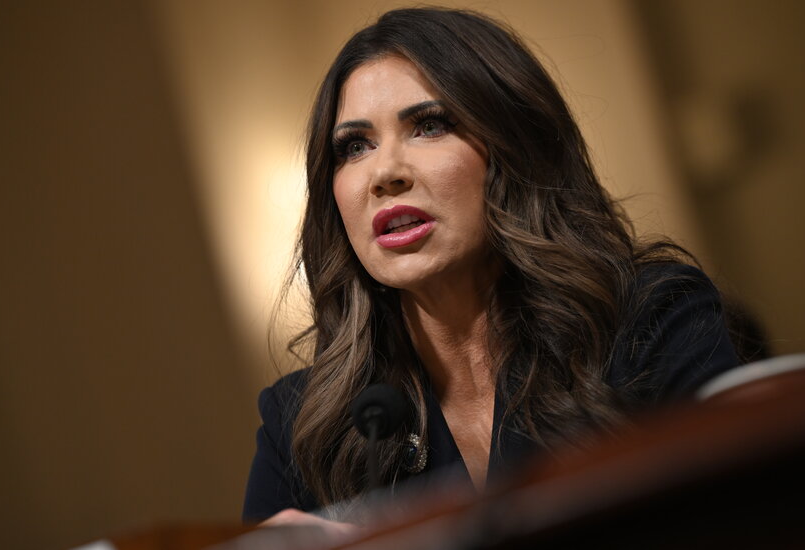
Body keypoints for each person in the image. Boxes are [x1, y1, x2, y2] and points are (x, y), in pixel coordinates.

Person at [241, 6, 740, 539]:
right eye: (355, 146)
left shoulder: (649, 321)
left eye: (429, 126)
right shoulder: (302, 425)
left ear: (512, 149)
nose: (384, 173)